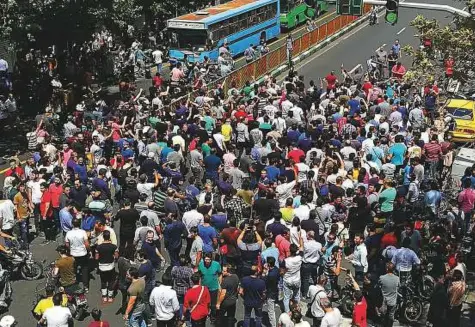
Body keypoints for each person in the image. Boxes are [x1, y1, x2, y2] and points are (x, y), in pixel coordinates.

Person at [64, 218, 90, 292]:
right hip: (83, 253)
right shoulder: (83, 232)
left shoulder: (68, 233)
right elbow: (87, 244)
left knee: (73, 269)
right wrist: (89, 250)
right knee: (84, 269)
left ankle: (74, 284)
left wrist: (70, 250)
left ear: (72, 224)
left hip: (73, 254)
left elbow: (67, 244)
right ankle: (86, 287)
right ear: (80, 224)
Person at [95, 229, 118, 303]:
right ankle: (110, 297)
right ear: (109, 237)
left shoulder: (98, 247)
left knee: (103, 281)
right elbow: (116, 256)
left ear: (103, 237)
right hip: (110, 266)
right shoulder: (114, 246)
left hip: (102, 267)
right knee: (111, 281)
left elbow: (96, 257)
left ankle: (104, 297)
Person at [379, 262, 399, 327]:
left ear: (387, 269)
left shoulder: (382, 278)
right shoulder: (397, 278)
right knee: (391, 316)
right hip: (393, 302)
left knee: (384, 317)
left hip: (383, 302)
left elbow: (379, 286)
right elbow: (398, 286)